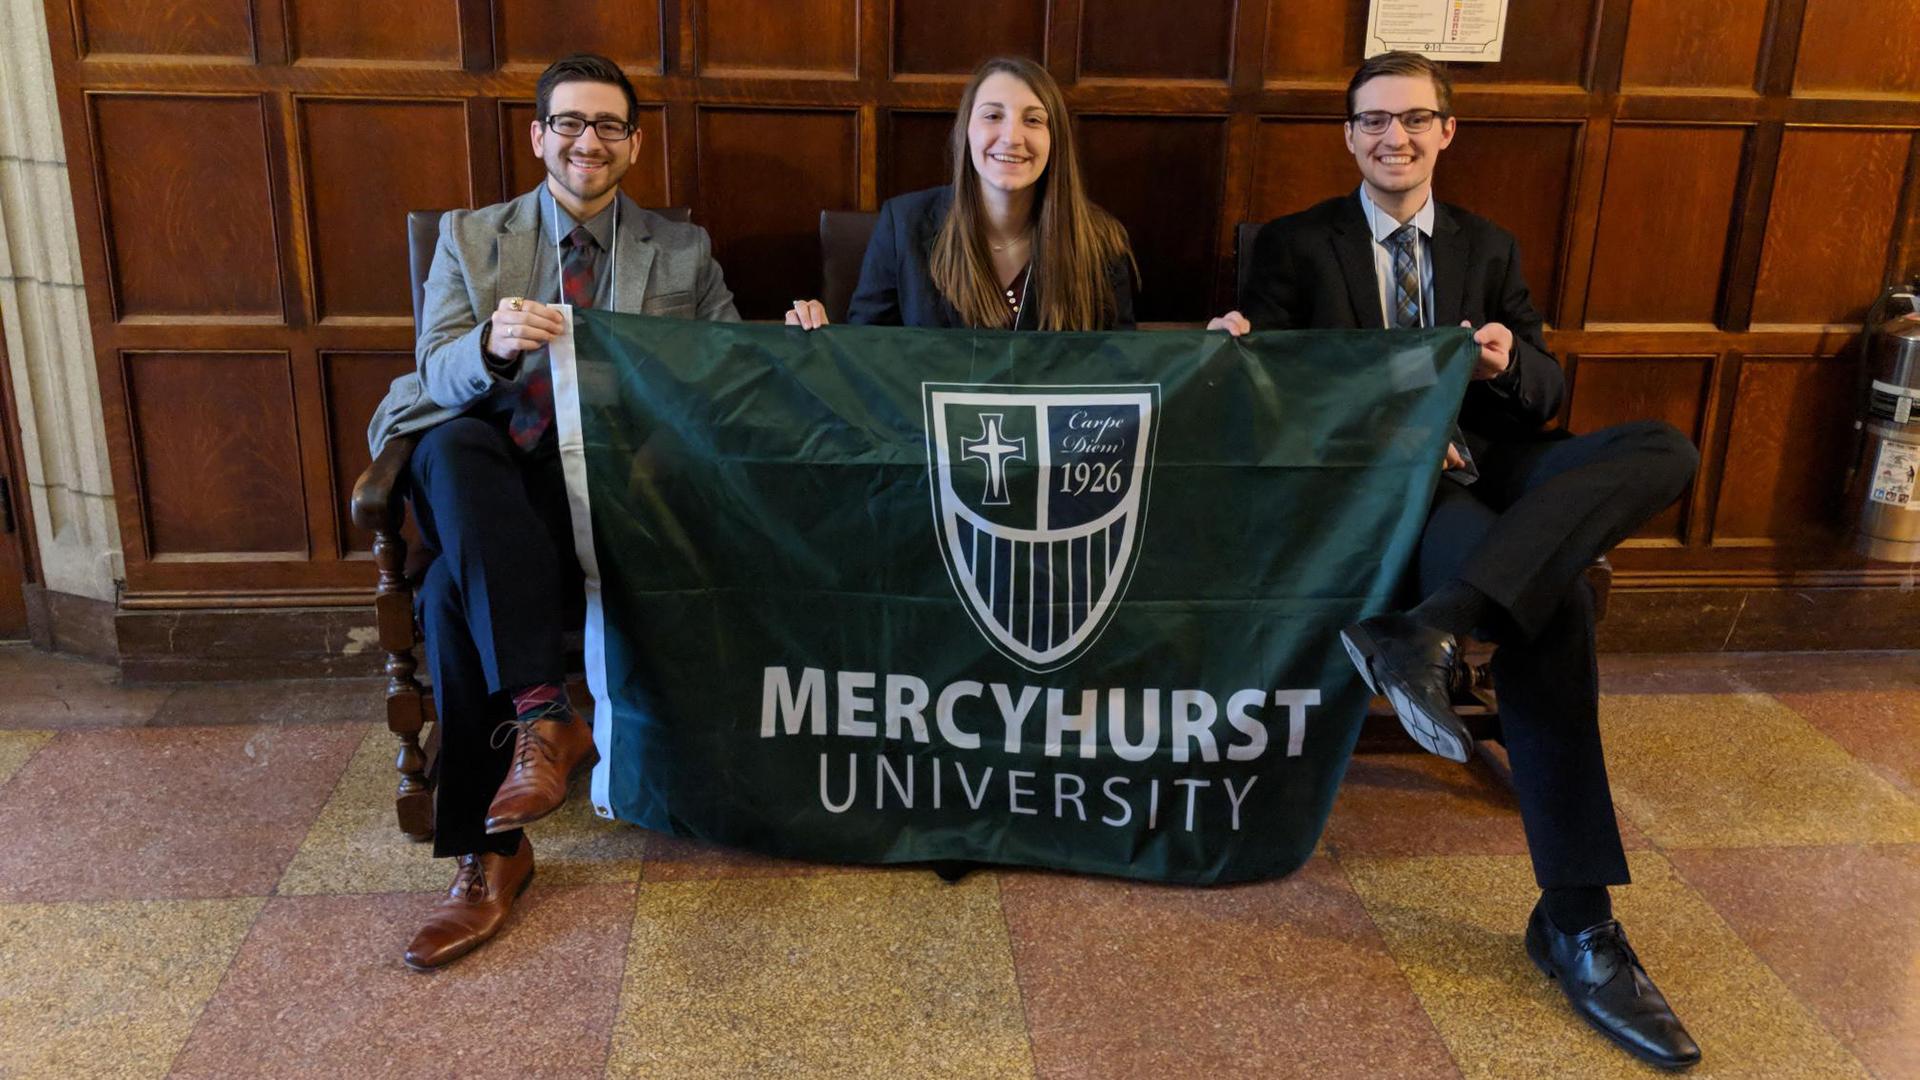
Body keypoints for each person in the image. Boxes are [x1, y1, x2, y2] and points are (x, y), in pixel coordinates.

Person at [1210, 52, 1702, 1070]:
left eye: (1414, 119)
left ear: (1448, 131)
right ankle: (1578, 924)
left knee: (1665, 447)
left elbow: (1548, 393)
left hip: (1502, 463)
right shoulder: (1299, 246)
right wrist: (1259, 356)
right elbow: (1282, 398)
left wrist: (1504, 363)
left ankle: (1429, 629)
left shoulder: (1486, 244)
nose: (1394, 137)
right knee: (1550, 602)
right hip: (1408, 489)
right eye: (1373, 121)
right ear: (1349, 137)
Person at [365, 52, 739, 970]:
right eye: (568, 123)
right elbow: (434, 371)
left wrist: (796, 337)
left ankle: (489, 851)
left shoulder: (679, 252)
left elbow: (730, 369)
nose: (587, 142)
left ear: (634, 145)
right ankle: (541, 714)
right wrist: (490, 343)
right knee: (452, 444)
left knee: (455, 588)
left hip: (613, 480)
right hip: (492, 468)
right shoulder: (472, 237)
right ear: (538, 137)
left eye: (608, 125)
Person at [784, 55, 1135, 332]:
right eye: (993, 115)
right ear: (965, 132)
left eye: (1033, 120)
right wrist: (820, 334)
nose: (1012, 136)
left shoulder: (1102, 239)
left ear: (1054, 139)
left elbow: (1120, 373)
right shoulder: (903, 224)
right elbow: (868, 354)